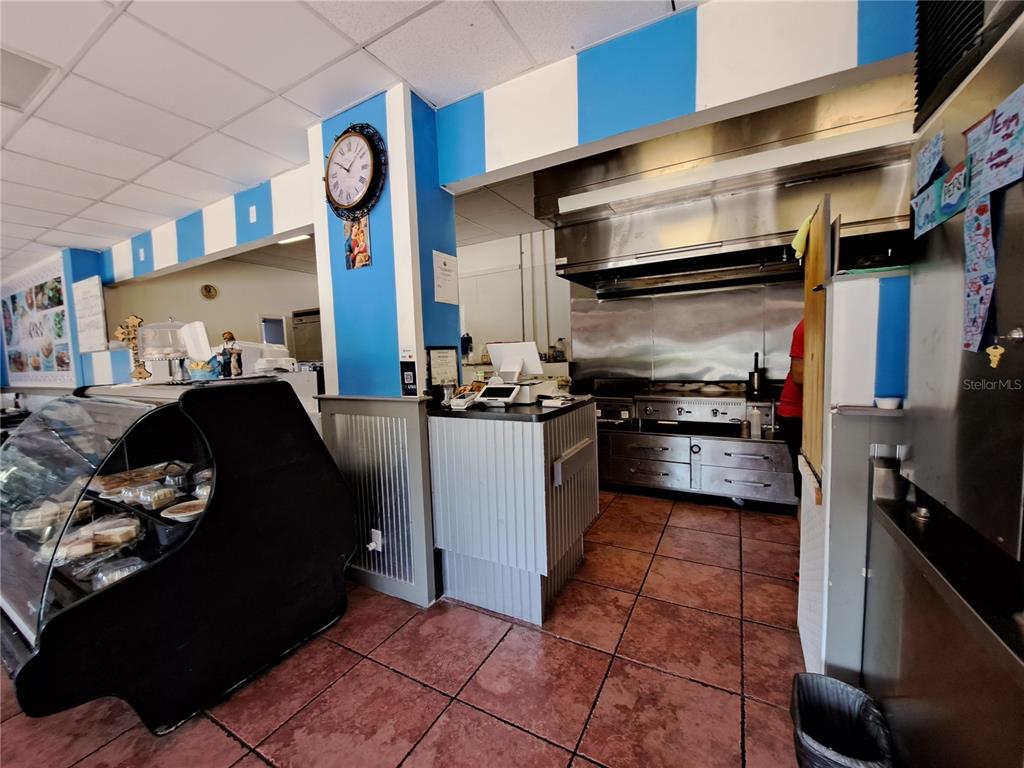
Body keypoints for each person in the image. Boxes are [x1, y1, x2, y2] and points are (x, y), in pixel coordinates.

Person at [777, 319, 804, 500]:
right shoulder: (807, 326)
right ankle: (807, 526)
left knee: (807, 483)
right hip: (796, 414)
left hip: (804, 413)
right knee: (806, 485)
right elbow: (799, 375)